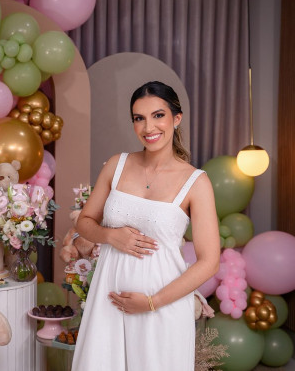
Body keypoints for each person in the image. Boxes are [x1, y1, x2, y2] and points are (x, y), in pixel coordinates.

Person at [72, 81, 220, 370]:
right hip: (108, 300)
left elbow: (210, 262)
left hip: (162, 307)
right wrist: (110, 236)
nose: (148, 127)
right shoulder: (116, 165)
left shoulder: (196, 182)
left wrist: (152, 302)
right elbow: (85, 222)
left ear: (177, 118)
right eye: (139, 118)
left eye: (158, 115)